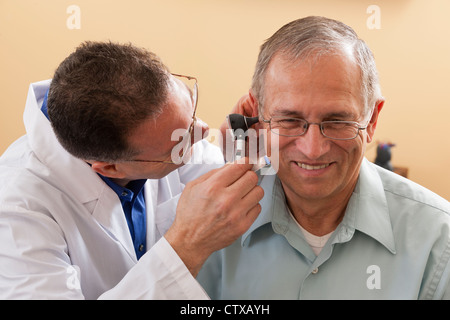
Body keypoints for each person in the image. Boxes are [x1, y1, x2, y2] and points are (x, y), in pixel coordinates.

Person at [197, 16, 450, 299]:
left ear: (372, 120)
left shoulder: (439, 241)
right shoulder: (208, 230)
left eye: (337, 121)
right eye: (290, 120)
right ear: (257, 114)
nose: (313, 149)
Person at [0, 41, 264, 299]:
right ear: (110, 168)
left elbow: (217, 183)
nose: (205, 130)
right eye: (181, 144)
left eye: (191, 110)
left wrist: (241, 150)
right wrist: (186, 248)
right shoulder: (17, 212)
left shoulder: (152, 134)